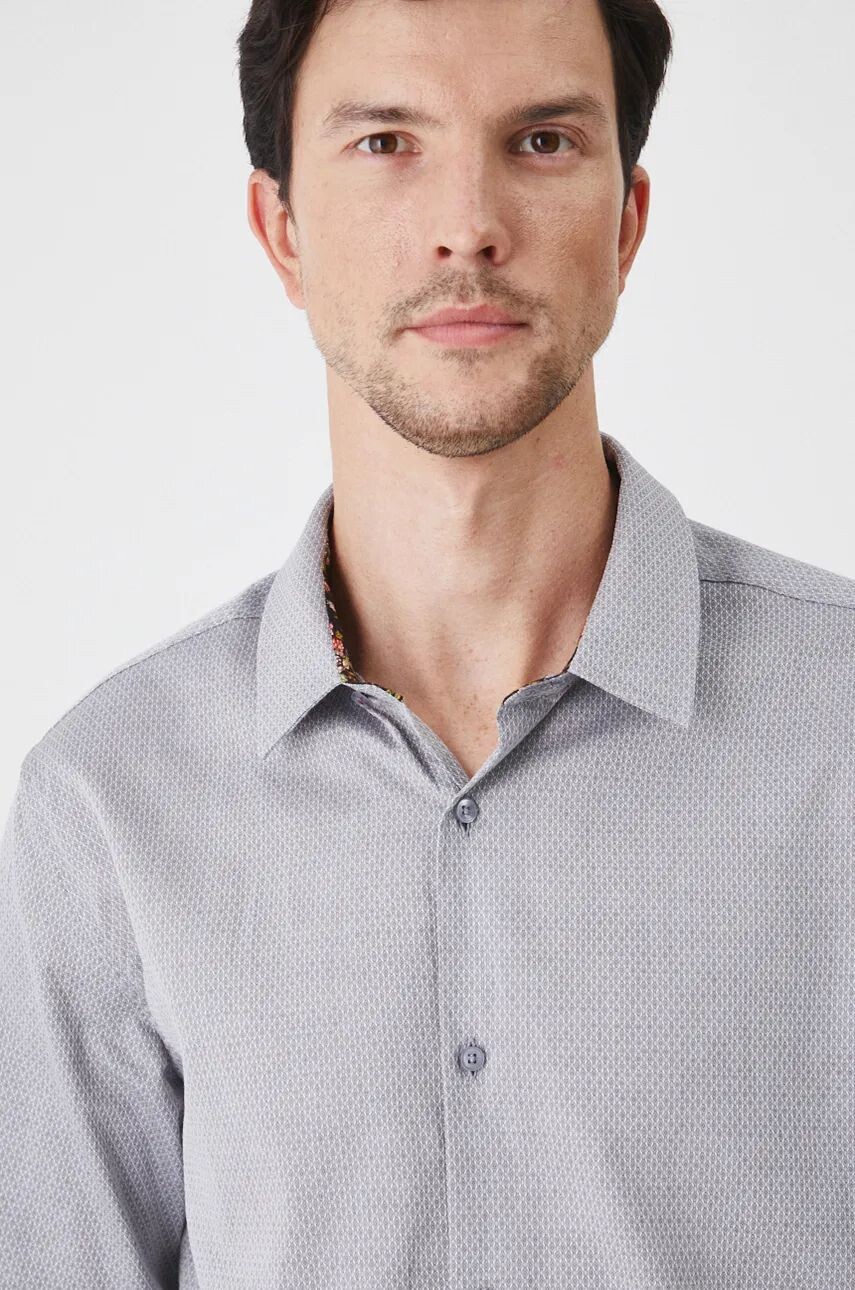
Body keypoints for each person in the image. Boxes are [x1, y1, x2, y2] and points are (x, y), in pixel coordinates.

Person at [2, 0, 854, 1286]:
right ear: (282, 231)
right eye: (387, 142)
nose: (469, 225)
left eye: (543, 141)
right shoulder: (107, 801)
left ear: (628, 221)